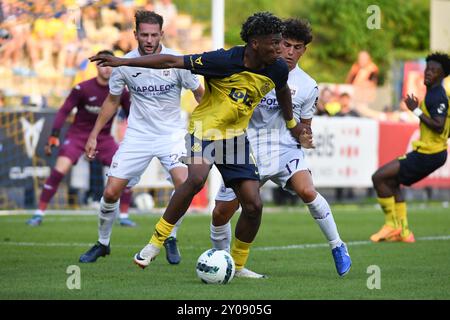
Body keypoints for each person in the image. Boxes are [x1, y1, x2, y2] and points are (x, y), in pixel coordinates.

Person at [90, 11, 306, 271]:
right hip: (203, 130)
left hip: (234, 138)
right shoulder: (222, 60)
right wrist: (120, 62)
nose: (280, 48)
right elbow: (171, 60)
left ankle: (237, 266)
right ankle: (155, 242)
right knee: (195, 179)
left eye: (281, 41)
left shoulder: (277, 68)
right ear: (255, 43)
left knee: (253, 204)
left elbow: (282, 91)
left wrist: (292, 124)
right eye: (275, 42)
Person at [210, 18, 352, 279]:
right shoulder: (254, 69)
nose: (290, 51)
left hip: (285, 149)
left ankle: (338, 246)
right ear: (276, 43)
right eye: (286, 44)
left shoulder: (309, 85)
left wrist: (306, 137)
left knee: (307, 190)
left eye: (297, 47)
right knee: (221, 213)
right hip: (248, 149)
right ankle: (228, 265)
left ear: (304, 50)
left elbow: (305, 125)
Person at [79, 11, 204, 264]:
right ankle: (103, 243)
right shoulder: (123, 65)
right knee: (111, 191)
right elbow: (112, 101)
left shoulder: (177, 62)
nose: (148, 40)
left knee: (185, 184)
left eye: (153, 35)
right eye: (144, 34)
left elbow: (200, 94)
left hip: (172, 135)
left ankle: (170, 236)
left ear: (162, 34)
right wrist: (94, 134)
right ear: (135, 34)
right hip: (138, 136)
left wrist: (211, 128)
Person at [26, 50, 134, 227]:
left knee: (126, 171)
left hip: (104, 139)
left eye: (109, 64)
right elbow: (63, 111)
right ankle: (39, 213)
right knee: (59, 170)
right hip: (78, 136)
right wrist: (54, 136)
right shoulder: (82, 88)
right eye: (102, 64)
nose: (106, 69)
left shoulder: (120, 91)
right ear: (96, 66)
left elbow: (132, 114)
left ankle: (124, 217)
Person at [371, 52, 449, 243]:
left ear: (442, 75)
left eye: (434, 70)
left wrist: (414, 109)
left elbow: (438, 125)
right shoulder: (435, 93)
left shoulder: (437, 95)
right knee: (391, 181)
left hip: (429, 154)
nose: (428, 73)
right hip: (431, 152)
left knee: (379, 177)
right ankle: (404, 232)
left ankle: (391, 224)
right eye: (427, 68)